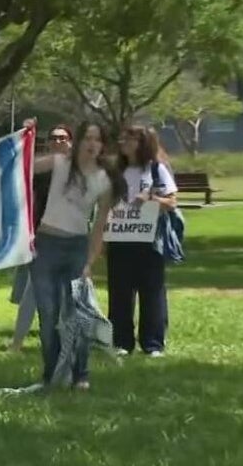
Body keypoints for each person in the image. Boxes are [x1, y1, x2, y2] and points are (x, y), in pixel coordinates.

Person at [30, 121, 124, 390]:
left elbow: (99, 226)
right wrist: (27, 135)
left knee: (76, 314)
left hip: (76, 248)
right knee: (48, 315)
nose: (92, 144)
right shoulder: (60, 163)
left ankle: (80, 374)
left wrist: (89, 262)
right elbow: (24, 167)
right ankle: (51, 374)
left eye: (97, 139)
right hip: (46, 245)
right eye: (87, 138)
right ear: (78, 141)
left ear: (103, 145)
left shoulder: (105, 180)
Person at [108, 125, 178, 357]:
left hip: (149, 240)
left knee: (152, 292)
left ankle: (153, 343)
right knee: (119, 292)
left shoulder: (156, 169)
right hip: (119, 238)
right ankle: (121, 342)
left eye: (130, 139)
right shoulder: (117, 171)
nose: (124, 142)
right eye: (122, 138)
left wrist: (151, 198)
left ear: (143, 142)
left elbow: (172, 202)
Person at [8, 124, 73, 352]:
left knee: (69, 294)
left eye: (63, 138)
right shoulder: (42, 169)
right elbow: (20, 176)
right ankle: (17, 343)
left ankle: (70, 341)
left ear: (71, 142)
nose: (58, 141)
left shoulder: (79, 170)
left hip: (71, 239)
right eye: (53, 138)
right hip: (44, 237)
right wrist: (25, 137)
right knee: (32, 291)